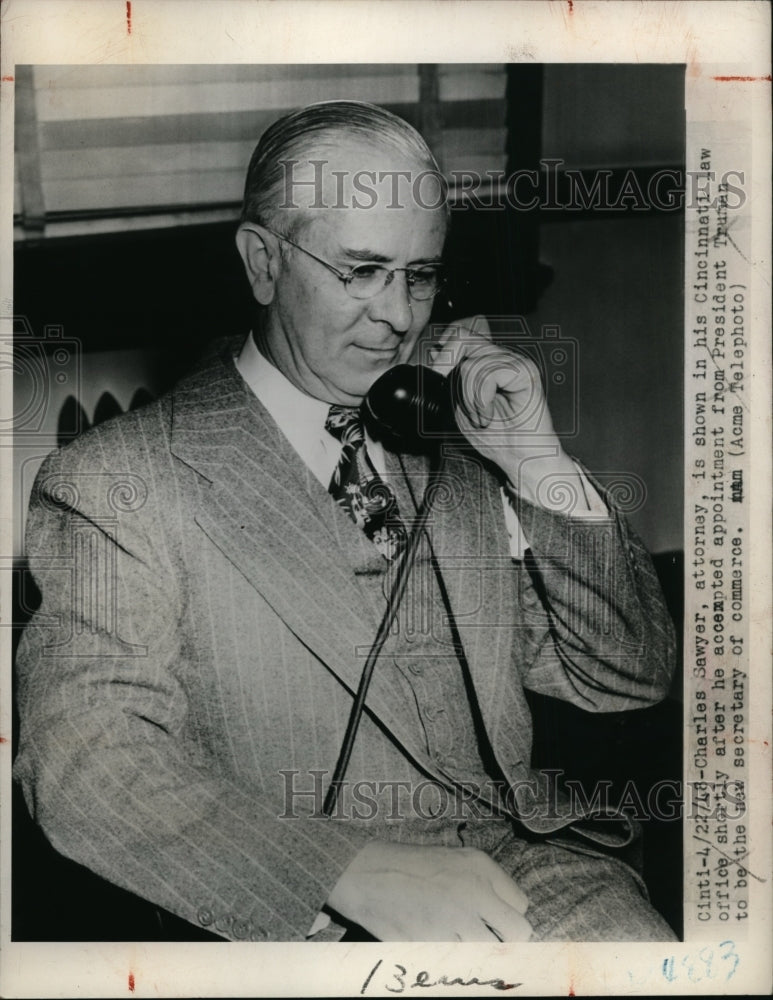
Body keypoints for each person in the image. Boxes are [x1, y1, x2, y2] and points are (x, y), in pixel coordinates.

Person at [14, 100, 677, 942]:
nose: (398, 315)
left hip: (526, 873)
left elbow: (624, 678)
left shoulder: (458, 440)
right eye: (361, 271)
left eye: (420, 275)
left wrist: (534, 462)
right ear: (262, 263)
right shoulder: (118, 479)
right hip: (300, 905)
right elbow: (85, 761)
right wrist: (343, 872)